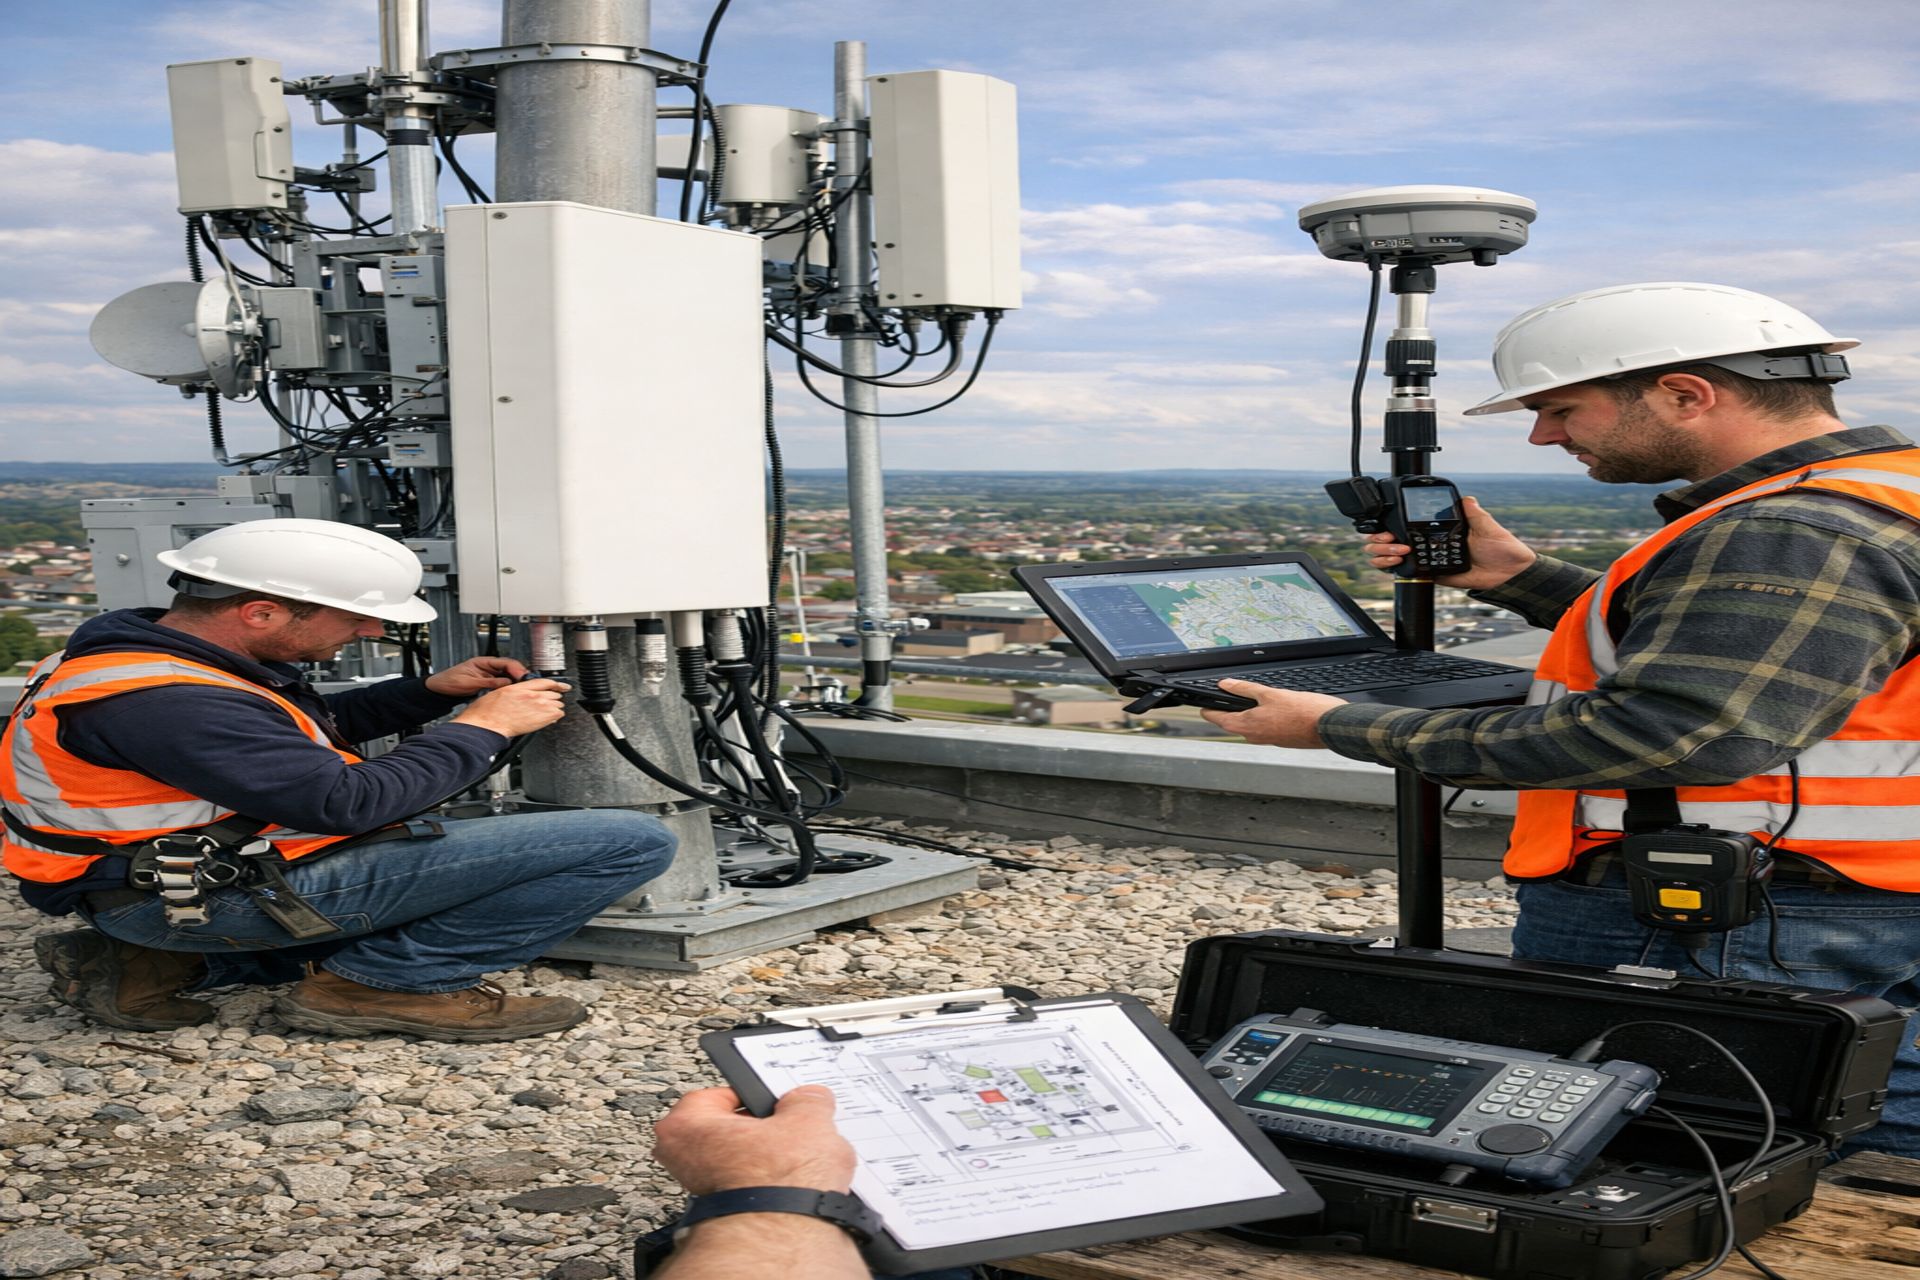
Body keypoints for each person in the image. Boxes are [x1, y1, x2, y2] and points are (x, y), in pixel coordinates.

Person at [1199, 281, 1920, 1156]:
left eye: (1559, 408)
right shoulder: (1879, 493)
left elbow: (1677, 730)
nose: (1545, 436)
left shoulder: (1796, 530)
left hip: (1730, 919)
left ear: (1686, 394)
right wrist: (1519, 576)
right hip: (1843, 901)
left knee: (1700, 1160)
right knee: (1859, 1123)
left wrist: (1337, 726)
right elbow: (1757, 654)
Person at [6, 518, 677, 1041]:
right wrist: (486, 727)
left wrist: (427, 693)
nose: (371, 630)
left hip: (166, 881)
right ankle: (387, 984)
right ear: (260, 612)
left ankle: (161, 964)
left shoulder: (148, 657)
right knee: (630, 841)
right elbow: (346, 801)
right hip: (193, 895)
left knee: (453, 851)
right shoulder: (170, 703)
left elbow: (285, 732)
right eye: (353, 616)